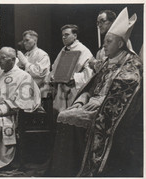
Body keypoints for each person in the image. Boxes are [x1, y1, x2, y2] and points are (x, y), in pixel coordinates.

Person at [48, 8, 142, 177]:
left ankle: (81, 169)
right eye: (104, 41)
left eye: (108, 42)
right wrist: (81, 101)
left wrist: (101, 101)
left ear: (120, 44)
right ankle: (65, 170)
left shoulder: (131, 65)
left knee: (71, 118)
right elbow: (92, 87)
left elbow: (126, 89)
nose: (104, 45)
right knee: (64, 115)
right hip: (91, 105)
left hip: (110, 112)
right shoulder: (107, 62)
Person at [49, 24, 94, 114]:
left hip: (74, 89)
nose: (63, 37)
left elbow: (90, 72)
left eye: (66, 35)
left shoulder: (83, 50)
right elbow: (55, 67)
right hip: (60, 90)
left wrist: (75, 78)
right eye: (62, 35)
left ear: (75, 36)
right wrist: (53, 77)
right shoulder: (63, 50)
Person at [17, 30, 50, 97]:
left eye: (27, 40)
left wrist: (26, 63)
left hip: (39, 90)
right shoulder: (26, 54)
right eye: (24, 41)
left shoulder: (42, 54)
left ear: (35, 40)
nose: (25, 43)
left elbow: (40, 73)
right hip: (25, 89)